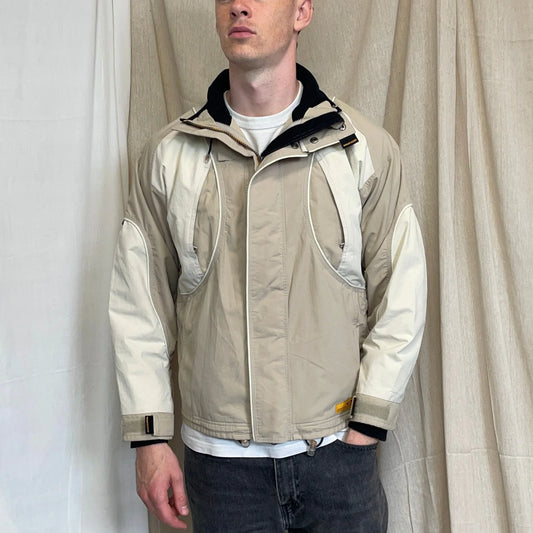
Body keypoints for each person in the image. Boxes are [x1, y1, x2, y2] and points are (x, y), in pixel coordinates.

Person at [109, 0, 427, 531]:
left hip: (337, 458)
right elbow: (139, 303)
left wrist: (367, 427)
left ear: (302, 11)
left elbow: (403, 291)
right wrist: (150, 438)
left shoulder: (362, 149)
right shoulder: (170, 154)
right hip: (220, 469)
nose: (239, 6)